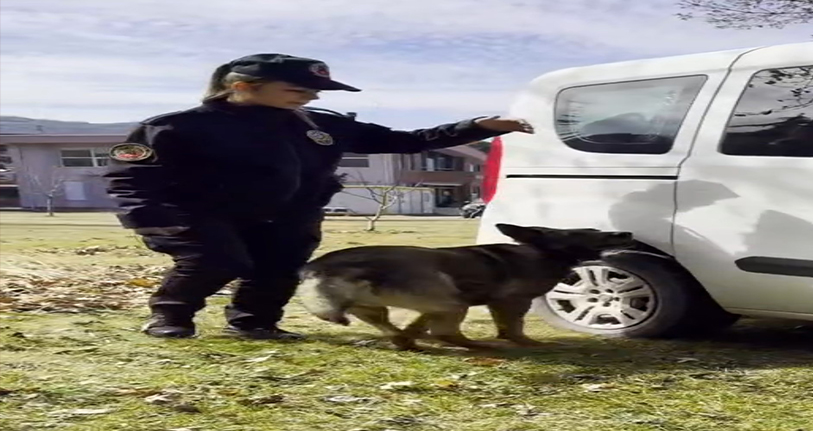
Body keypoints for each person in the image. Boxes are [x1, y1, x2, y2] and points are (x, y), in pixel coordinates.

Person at [104, 53, 533, 340]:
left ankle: (254, 324)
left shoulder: (320, 125)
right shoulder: (176, 126)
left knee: (280, 267)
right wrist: (158, 218)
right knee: (219, 260)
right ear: (243, 86)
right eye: (297, 89)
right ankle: (171, 318)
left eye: (313, 92)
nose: (310, 97)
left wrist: (479, 127)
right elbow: (131, 176)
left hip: (289, 214)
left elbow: (406, 139)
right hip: (202, 213)